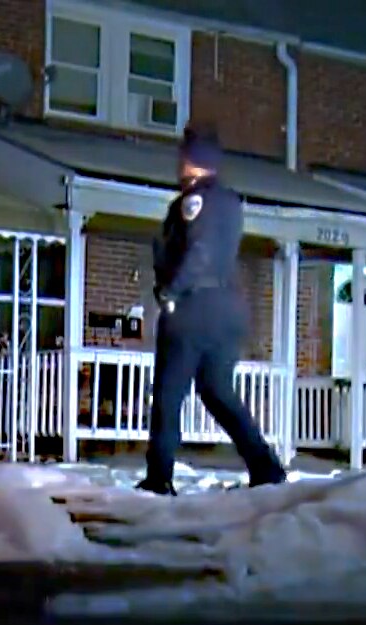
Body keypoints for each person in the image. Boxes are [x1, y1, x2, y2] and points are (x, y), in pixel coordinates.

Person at [138, 125, 287, 495]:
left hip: (193, 307)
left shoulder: (193, 202)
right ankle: (265, 465)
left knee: (169, 394)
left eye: (182, 155)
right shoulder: (231, 201)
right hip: (229, 310)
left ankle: (159, 477)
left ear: (191, 160)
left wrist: (171, 290)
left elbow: (197, 251)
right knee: (217, 389)